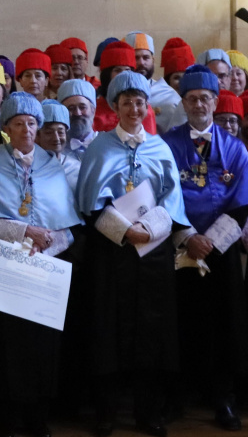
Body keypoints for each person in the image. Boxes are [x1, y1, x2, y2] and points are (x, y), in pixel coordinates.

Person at [75, 71, 188, 436]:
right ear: (114, 106)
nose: (134, 108)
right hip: (111, 253)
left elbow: (172, 199)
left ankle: (147, 412)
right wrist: (125, 231)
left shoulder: (160, 147)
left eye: (140, 102)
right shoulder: (99, 147)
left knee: (151, 331)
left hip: (152, 254)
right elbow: (89, 204)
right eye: (127, 102)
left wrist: (149, 230)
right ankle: (106, 412)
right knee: (108, 329)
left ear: (147, 106)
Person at [0, 94, 79, 437]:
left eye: (32, 124)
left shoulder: (52, 166)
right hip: (5, 270)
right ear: (6, 129)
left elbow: (71, 223)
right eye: (18, 124)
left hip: (45, 268)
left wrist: (49, 245)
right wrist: (24, 232)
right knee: (4, 346)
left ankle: (37, 416)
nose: (26, 130)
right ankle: (6, 418)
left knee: (42, 346)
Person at [161, 67, 248, 431]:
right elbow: (160, 196)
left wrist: (210, 243)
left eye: (205, 98)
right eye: (192, 99)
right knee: (180, 321)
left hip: (220, 251)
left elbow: (243, 202)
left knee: (225, 324)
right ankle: (177, 395)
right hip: (178, 249)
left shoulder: (234, 147)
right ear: (183, 102)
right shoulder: (167, 144)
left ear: (215, 102)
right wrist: (189, 237)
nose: (199, 104)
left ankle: (223, 397)